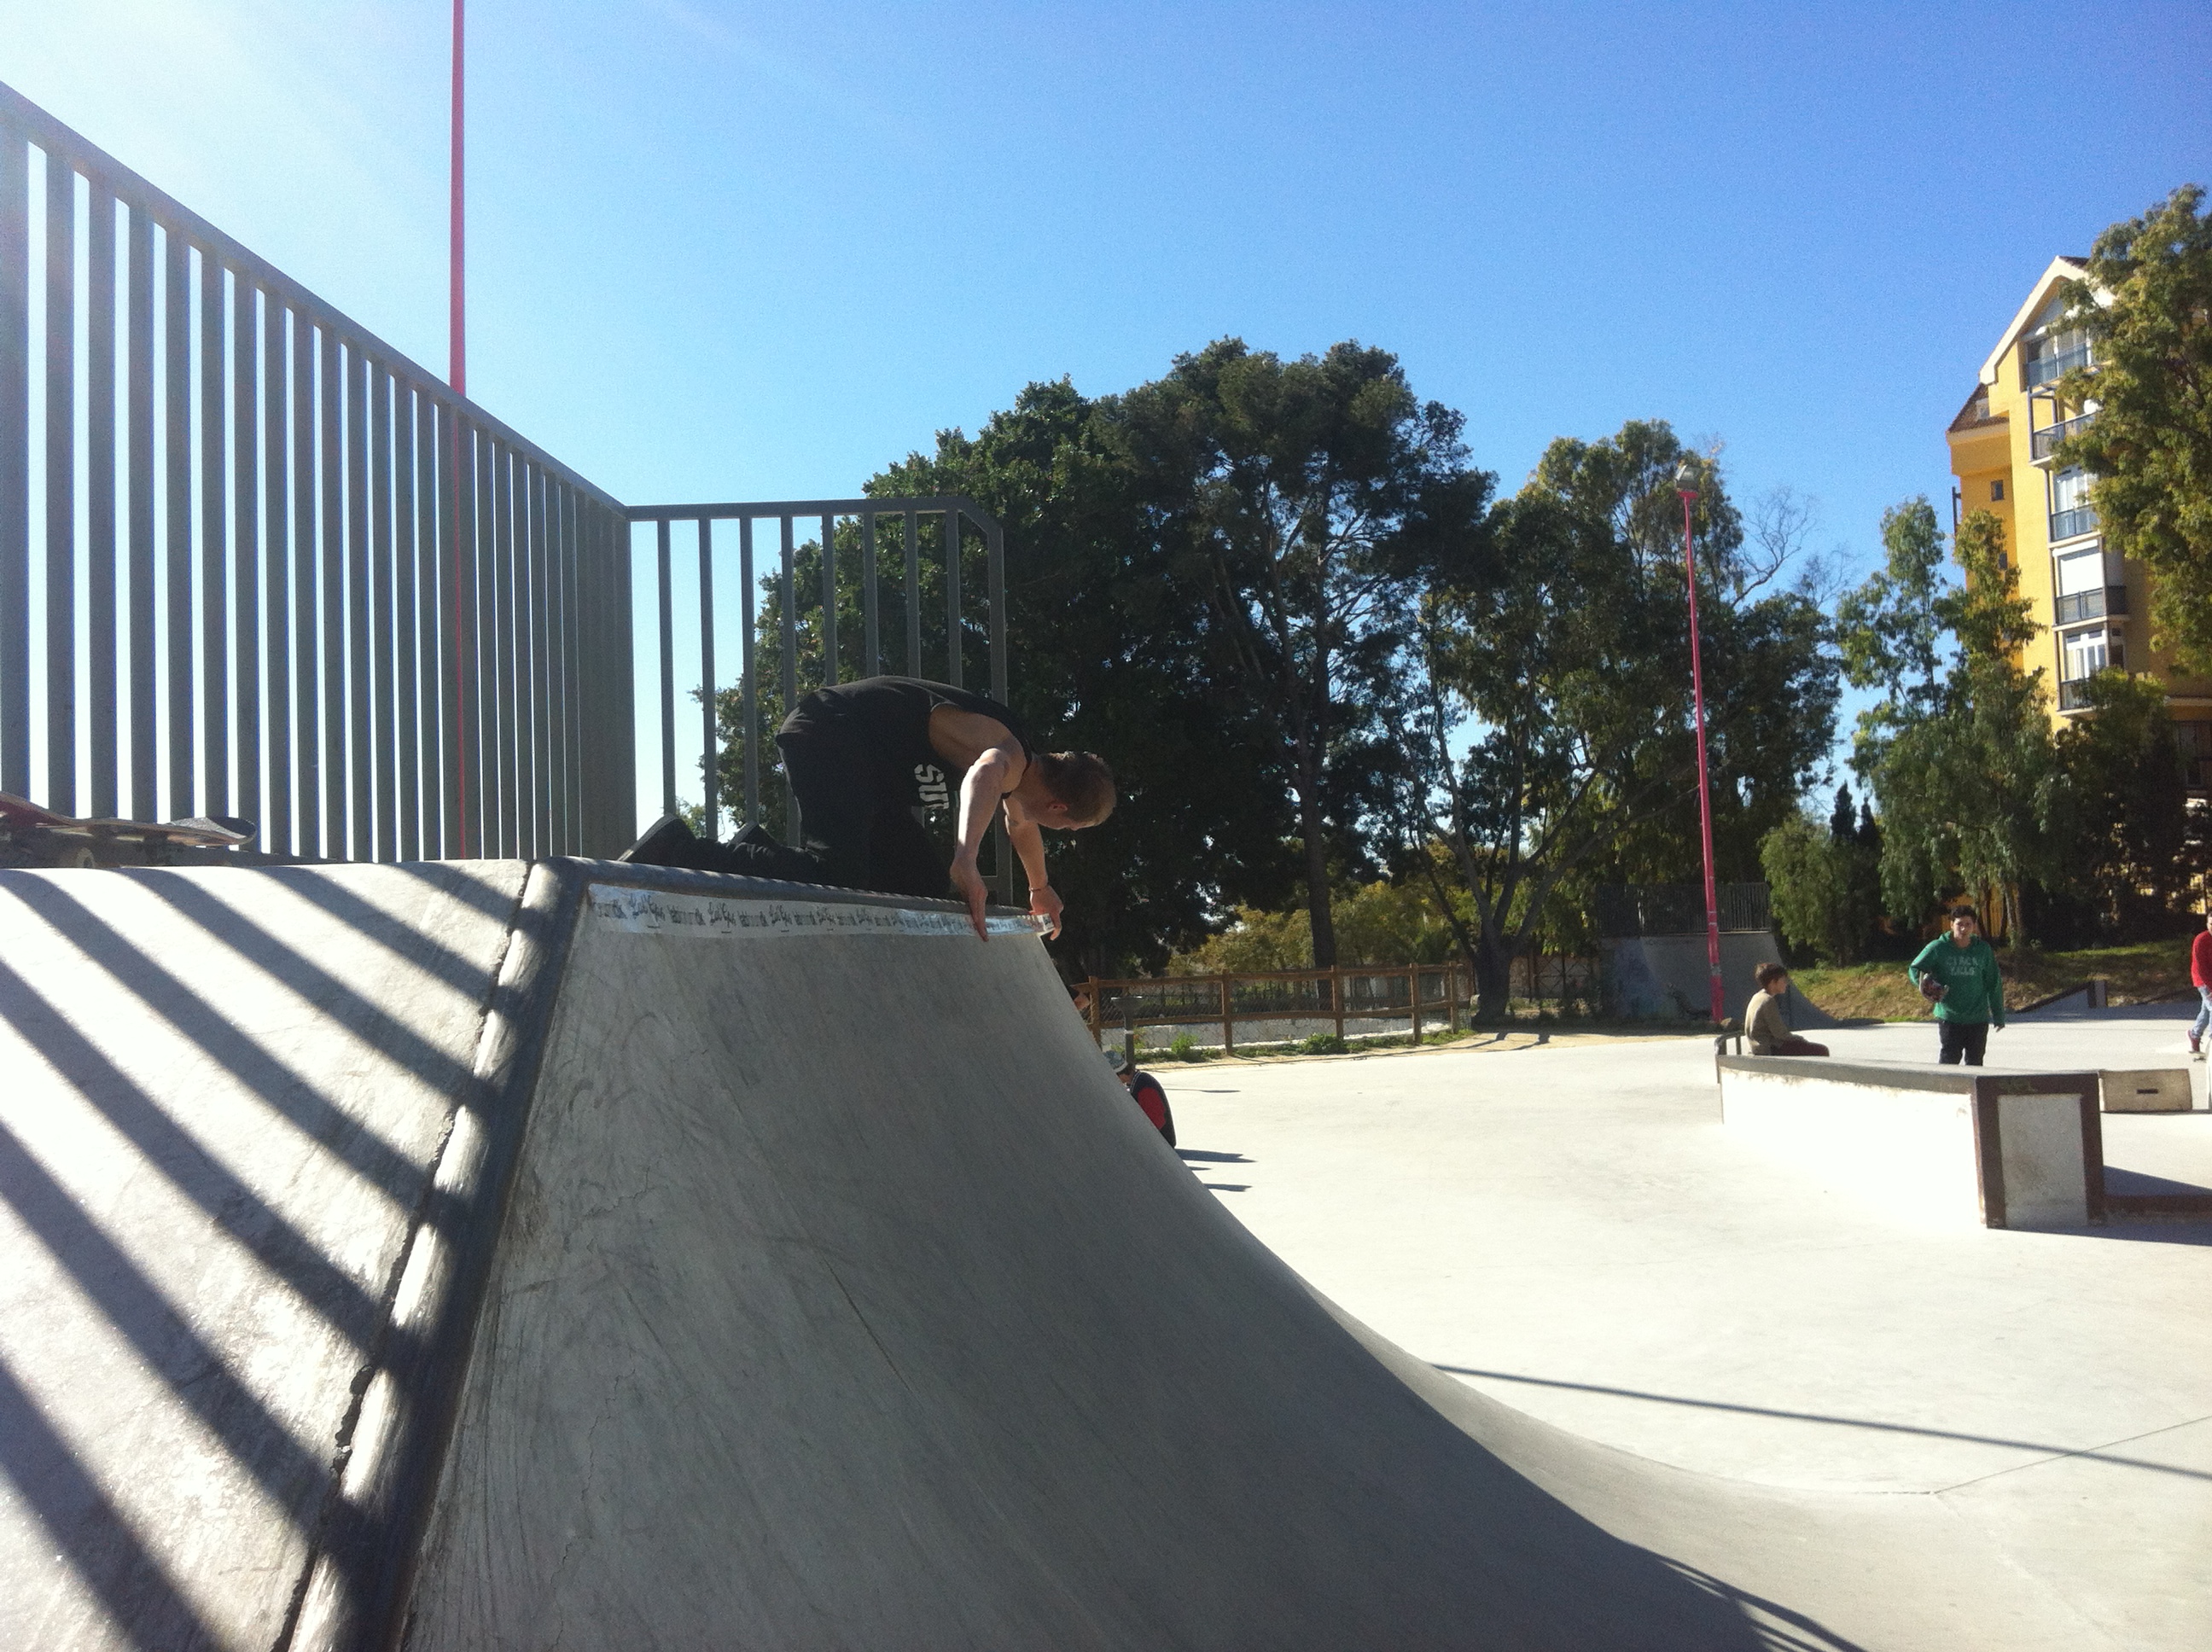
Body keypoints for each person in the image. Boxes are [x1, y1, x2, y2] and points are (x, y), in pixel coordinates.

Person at [620, 676, 1114, 940]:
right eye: (1068, 826)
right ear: (1058, 804)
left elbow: (1023, 829)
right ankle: (681, 848)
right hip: (831, 733)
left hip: (868, 772)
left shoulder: (1022, 784)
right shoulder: (1007, 760)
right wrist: (966, 858)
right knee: (839, 874)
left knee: (920, 881)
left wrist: (1041, 889)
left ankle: (756, 854)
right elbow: (983, 774)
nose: (1057, 829)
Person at [1907, 905, 2006, 1067]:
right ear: (1951, 924)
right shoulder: (1938, 948)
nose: (1964, 928)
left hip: (1977, 1017)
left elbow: (1993, 982)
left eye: (1968, 924)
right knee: (1949, 1060)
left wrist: (1998, 1015)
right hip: (1950, 1017)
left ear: (1974, 927)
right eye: (1959, 924)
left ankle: (1972, 1093)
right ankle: (1945, 1092)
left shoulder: (1982, 950)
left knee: (1975, 1063)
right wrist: (1926, 986)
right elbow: (1915, 968)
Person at [1743, 963, 1828, 1056]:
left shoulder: (1757, 997)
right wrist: (1799, 1039)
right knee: (1821, 1050)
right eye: (1783, 980)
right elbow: (1780, 1033)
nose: (1786, 984)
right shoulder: (1768, 1001)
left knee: (1804, 1047)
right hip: (1768, 1048)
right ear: (1773, 982)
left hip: (1757, 1047)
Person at [2189, 909, 2211, 1060]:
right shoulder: (2201, 940)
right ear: (2207, 923)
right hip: (2202, 980)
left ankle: (2194, 1035)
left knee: (2206, 1010)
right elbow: (2201, 968)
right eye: (2211, 924)